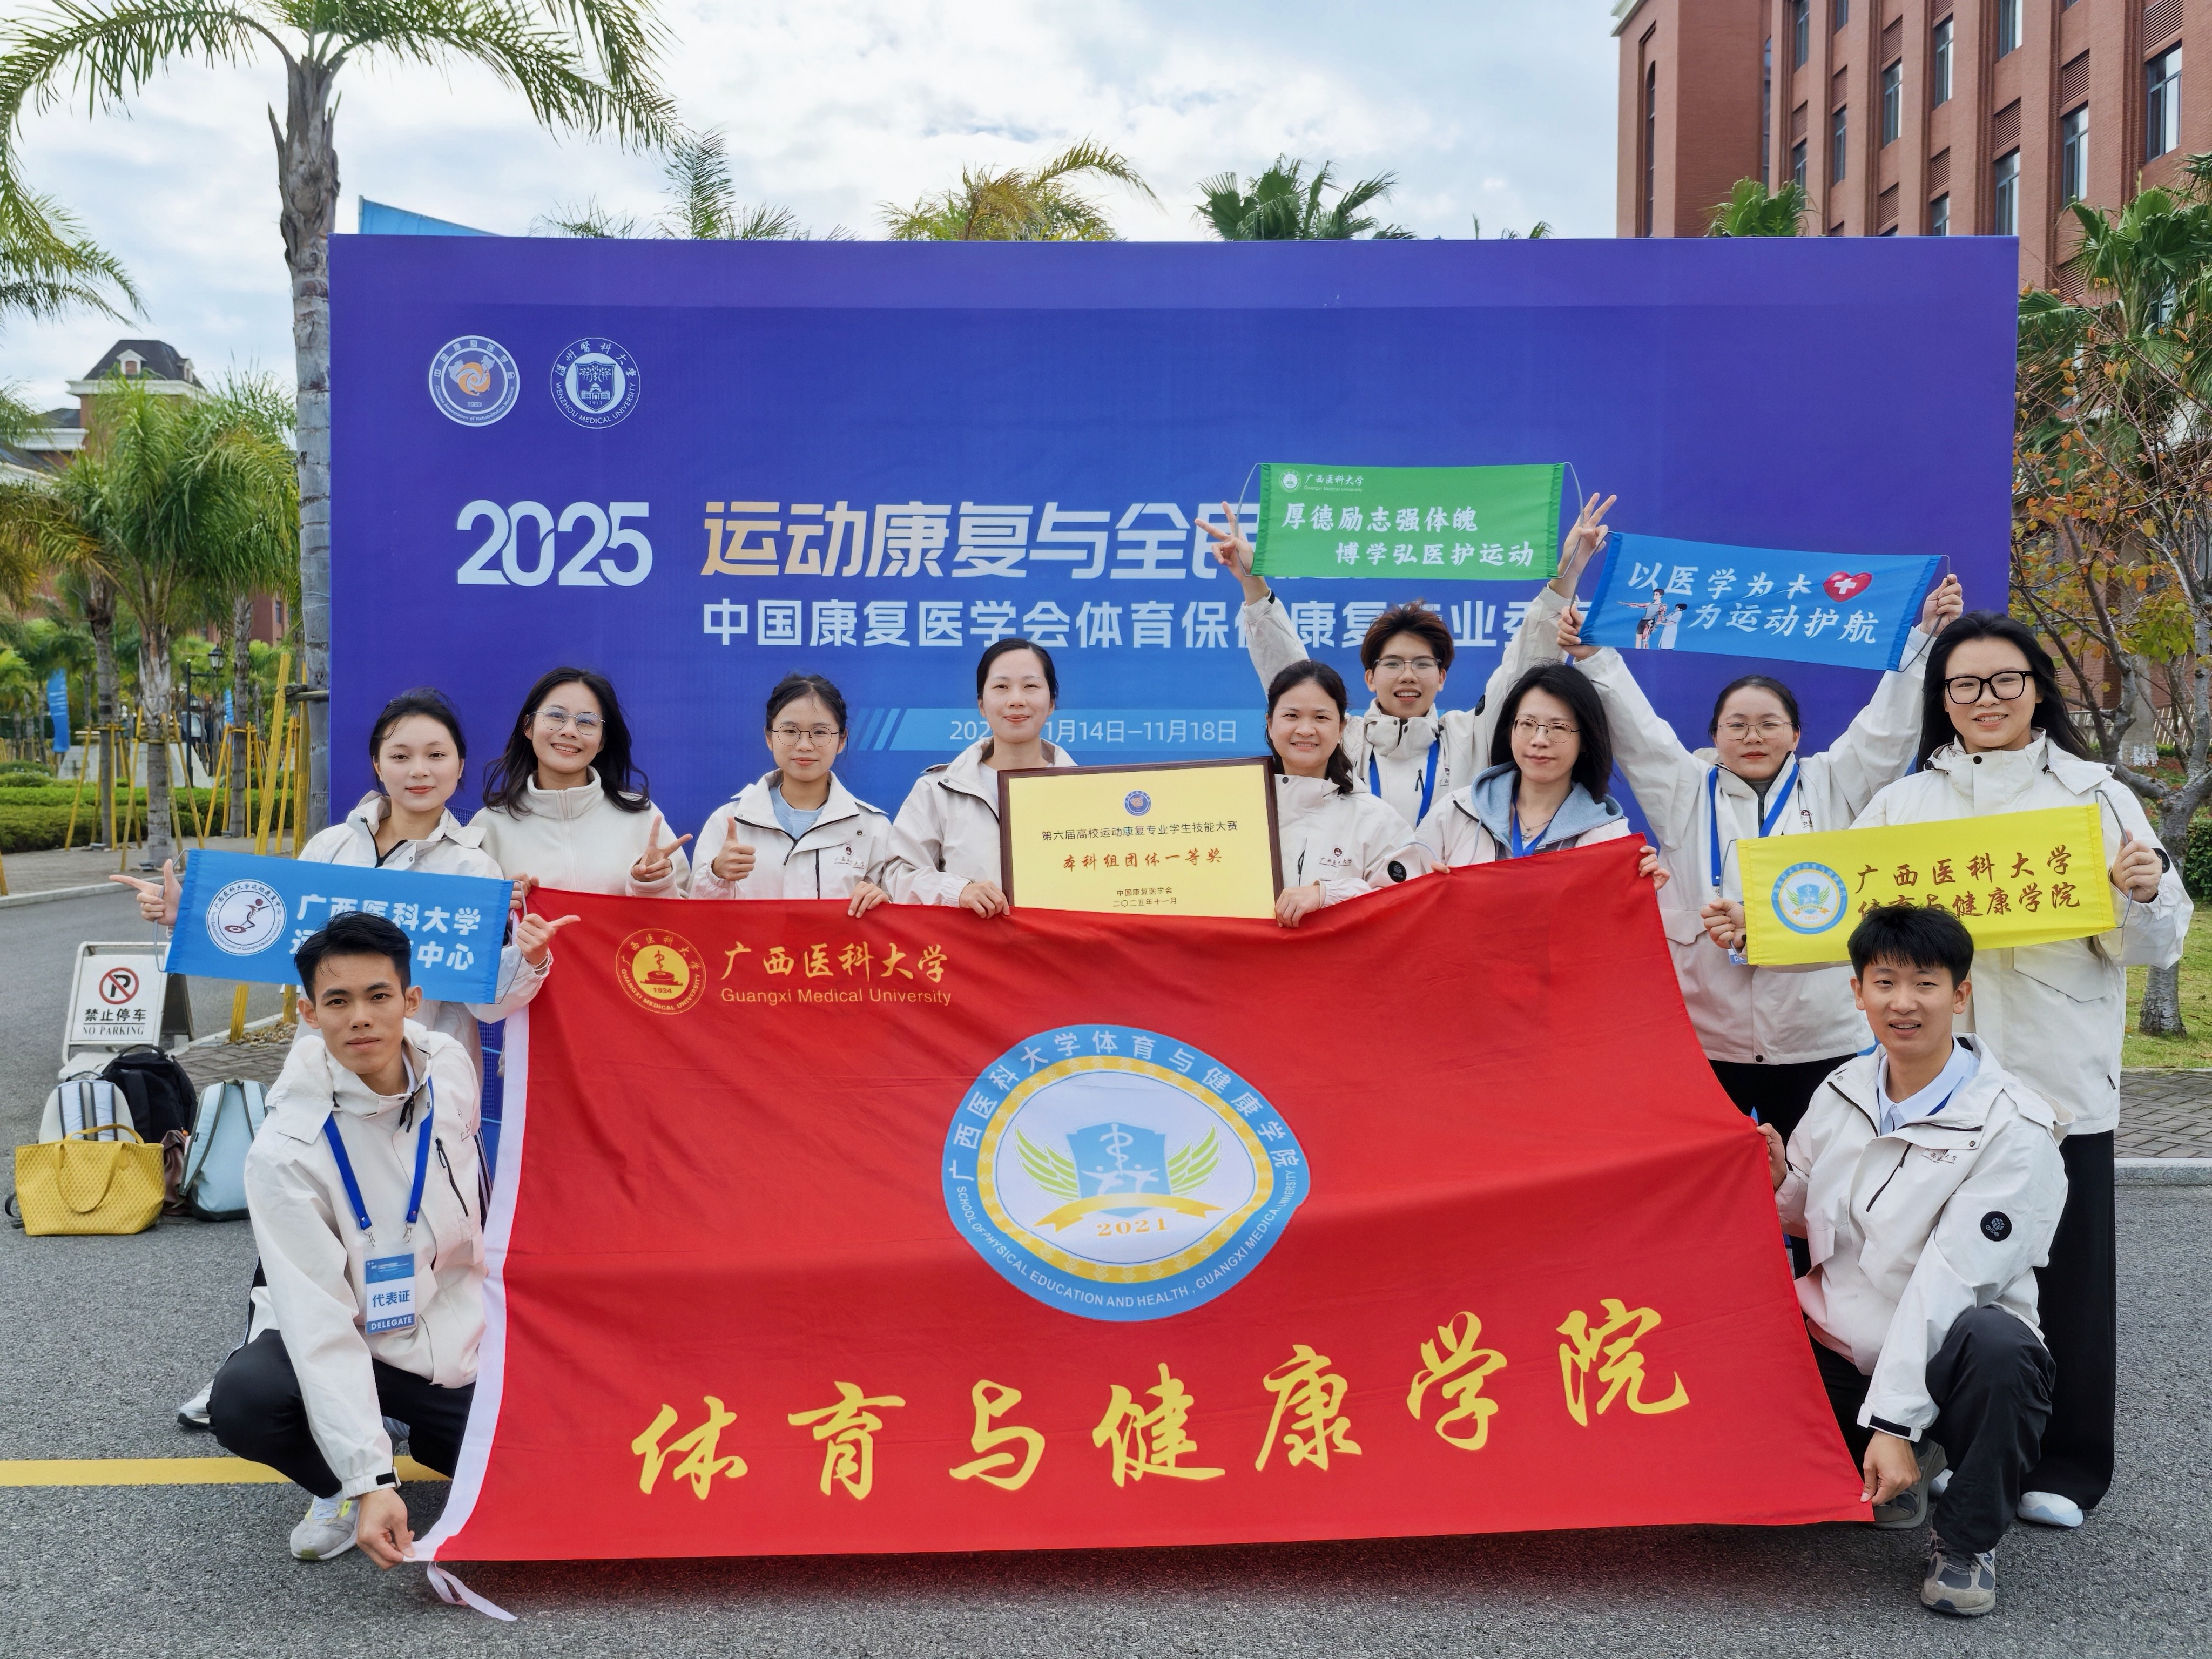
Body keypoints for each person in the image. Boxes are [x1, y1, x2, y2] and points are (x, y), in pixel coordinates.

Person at [1817, 612, 2186, 1532]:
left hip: (2056, 1078)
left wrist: (2143, 892)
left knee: (2065, 1278)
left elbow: (2157, 940)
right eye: (1965, 685)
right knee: (1931, 1270)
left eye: (2004, 680)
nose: (1986, 699)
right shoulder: (1905, 806)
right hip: (1937, 1092)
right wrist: (1759, 922)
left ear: (2037, 688)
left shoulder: (2096, 796)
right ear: (1942, 701)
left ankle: (2066, 1461)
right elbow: (1845, 925)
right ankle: (1953, 1445)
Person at [1554, 572, 1965, 1147]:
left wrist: (1924, 639)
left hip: (1815, 1038)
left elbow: (1885, 730)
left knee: (1817, 1180)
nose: (1754, 737)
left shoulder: (1832, 785)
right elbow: (1639, 732)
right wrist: (1596, 657)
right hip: (1705, 1035)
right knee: (1703, 1179)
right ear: (1714, 735)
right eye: (1738, 726)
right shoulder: (1683, 789)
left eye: (1769, 724)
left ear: (1795, 735)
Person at [208, 912, 548, 1565]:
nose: (360, 1018)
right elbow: (318, 1322)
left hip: (452, 1329)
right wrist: (368, 1480)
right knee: (247, 1401)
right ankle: (341, 1483)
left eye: (378, 996)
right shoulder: (284, 1151)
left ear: (411, 1001)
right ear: (310, 1013)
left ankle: (417, 1437)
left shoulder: (449, 1065)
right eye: (338, 1001)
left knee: (538, 1466)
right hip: (353, 1330)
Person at [1763, 903, 2064, 1618]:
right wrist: (1773, 1183)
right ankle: (1900, 1460)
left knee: (2001, 1351)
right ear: (1857, 992)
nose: (1903, 1003)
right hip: (1842, 1349)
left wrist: (1894, 1423)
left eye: (1925, 984)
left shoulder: (2013, 1125)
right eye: (1885, 982)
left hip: (1944, 1362)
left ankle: (1964, 1540)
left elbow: (1948, 1284)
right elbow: (1807, 1214)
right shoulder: (1841, 1090)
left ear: (1960, 995)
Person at [116, 688, 571, 1078]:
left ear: (459, 765)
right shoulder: (331, 847)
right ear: (378, 764)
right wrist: (188, 914)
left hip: (423, 1077)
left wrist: (529, 958)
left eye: (436, 755)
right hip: (322, 1070)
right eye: (400, 756)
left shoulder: (474, 869)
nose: (419, 771)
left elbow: (487, 1005)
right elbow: (276, 937)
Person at [1202, 491, 1615, 829]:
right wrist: (1253, 584)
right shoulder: (1342, 736)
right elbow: (1290, 677)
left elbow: (1524, 665)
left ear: (1442, 677)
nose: (1407, 675)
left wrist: (1569, 573)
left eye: (1422, 664)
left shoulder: (1469, 736)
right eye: (1392, 663)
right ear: (1369, 677)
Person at [1415, 661, 1663, 888]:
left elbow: (1610, 920)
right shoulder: (1457, 812)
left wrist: (1637, 894)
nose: (1539, 740)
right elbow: (1401, 894)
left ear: (1585, 741)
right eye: (1527, 724)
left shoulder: (1608, 839)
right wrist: (1428, 891)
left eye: (1558, 728)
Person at [885, 638, 1078, 915]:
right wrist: (958, 891)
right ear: (982, 705)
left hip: (1057, 942)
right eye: (1001, 687)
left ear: (1051, 703)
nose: (1016, 700)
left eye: (1031, 686)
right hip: (967, 944)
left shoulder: (1085, 792)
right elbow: (897, 876)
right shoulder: (938, 790)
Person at [471, 666, 691, 898]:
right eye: (556, 716)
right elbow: (469, 912)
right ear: (528, 726)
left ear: (602, 740)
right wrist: (503, 907)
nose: (569, 731)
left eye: (586, 721)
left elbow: (684, 911)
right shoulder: (489, 826)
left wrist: (654, 885)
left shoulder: (642, 817)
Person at [691, 673, 894, 915]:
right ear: (769, 738)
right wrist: (716, 875)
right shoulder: (728, 822)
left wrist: (883, 902)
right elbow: (696, 919)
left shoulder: (872, 829)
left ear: (842, 740)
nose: (804, 745)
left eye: (820, 733)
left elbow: (895, 921)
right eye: (790, 731)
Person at [1264, 660, 1422, 928]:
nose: (1305, 730)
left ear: (1341, 728)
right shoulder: (1235, 808)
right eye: (1291, 716)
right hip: (1246, 955)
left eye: (1321, 718)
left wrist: (1328, 895)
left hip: (1342, 957)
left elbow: (1408, 903)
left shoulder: (1376, 820)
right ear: (1270, 723)